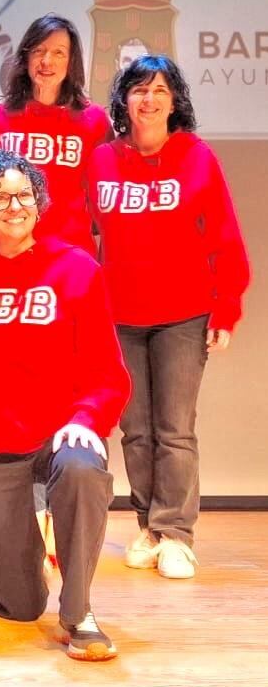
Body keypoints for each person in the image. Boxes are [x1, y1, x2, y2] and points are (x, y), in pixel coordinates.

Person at [0, 150, 130, 662]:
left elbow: (108, 373)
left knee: (82, 470)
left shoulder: (76, 269)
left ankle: (80, 612)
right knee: (17, 604)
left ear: (39, 203)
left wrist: (86, 419)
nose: (13, 205)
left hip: (60, 434)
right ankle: (12, 564)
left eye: (23, 194)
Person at [90, 55, 250, 579]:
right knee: (135, 430)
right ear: (125, 102)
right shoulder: (102, 161)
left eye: (160, 89)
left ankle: (178, 534)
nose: (150, 99)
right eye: (139, 90)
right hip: (119, 317)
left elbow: (225, 238)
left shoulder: (197, 158)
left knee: (175, 428)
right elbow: (76, 233)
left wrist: (227, 305)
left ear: (175, 100)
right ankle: (149, 527)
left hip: (183, 314)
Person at [0, 14, 110, 255]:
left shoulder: (94, 121)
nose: (47, 61)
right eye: (39, 51)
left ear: (72, 61)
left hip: (71, 257)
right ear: (26, 57)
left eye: (59, 52)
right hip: (9, 254)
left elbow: (105, 203)